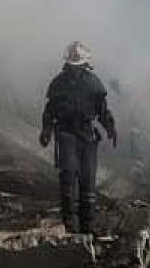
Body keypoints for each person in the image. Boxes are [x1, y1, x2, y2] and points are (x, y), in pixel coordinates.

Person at [40, 42, 117, 233]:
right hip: (66, 133)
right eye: (72, 66)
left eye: (78, 66)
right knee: (68, 174)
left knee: (88, 180)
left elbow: (102, 110)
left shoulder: (93, 83)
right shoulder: (58, 83)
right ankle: (70, 225)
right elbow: (49, 111)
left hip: (87, 135)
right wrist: (46, 130)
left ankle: (87, 226)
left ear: (84, 65)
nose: (75, 70)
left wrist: (110, 127)